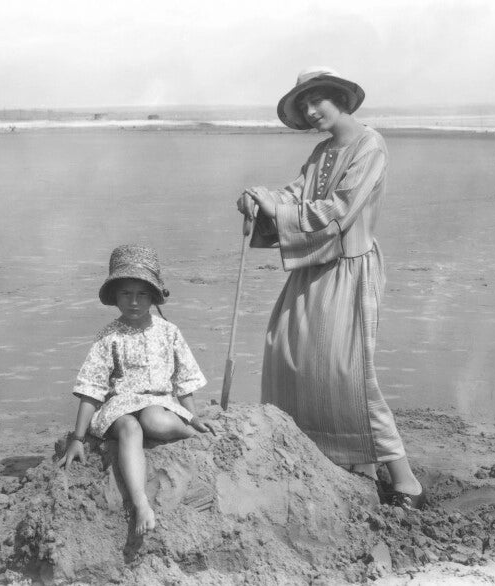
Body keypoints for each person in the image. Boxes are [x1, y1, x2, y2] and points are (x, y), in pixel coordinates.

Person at [236, 66, 423, 510]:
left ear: (338, 97)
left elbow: (339, 210)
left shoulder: (370, 146)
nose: (310, 110)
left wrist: (277, 210)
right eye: (303, 105)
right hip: (312, 266)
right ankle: (343, 464)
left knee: (348, 372)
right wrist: (259, 197)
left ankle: (405, 479)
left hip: (349, 269)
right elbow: (295, 194)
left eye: (316, 99)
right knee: (290, 358)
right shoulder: (321, 152)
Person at [58, 244, 217, 534]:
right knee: (132, 427)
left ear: (154, 296)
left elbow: (185, 380)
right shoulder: (109, 336)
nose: (134, 302)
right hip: (120, 406)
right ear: (115, 296)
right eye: (126, 294)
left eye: (142, 294)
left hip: (159, 403)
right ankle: (141, 502)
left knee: (153, 418)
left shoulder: (169, 332)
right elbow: (91, 388)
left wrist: (193, 417)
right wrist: (78, 438)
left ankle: (192, 436)